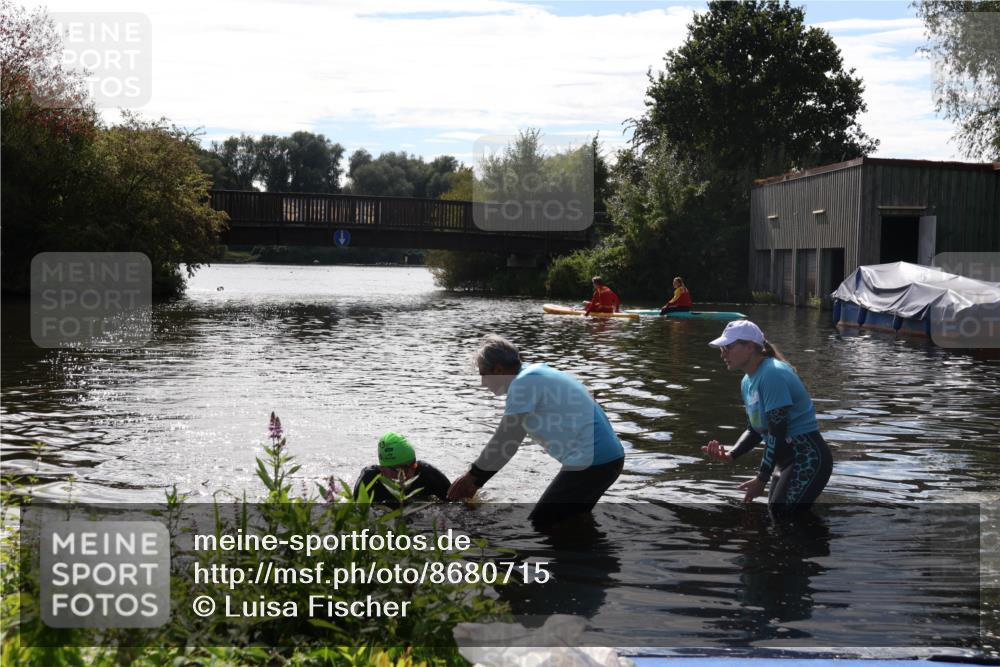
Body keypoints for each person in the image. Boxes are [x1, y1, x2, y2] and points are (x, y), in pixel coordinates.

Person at [447, 335, 625, 528]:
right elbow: (510, 442)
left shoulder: (523, 384)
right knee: (571, 523)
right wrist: (478, 480)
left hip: (592, 464)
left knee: (542, 524)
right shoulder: (535, 373)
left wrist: (472, 477)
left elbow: (507, 440)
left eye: (483, 375)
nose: (483, 383)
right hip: (610, 459)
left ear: (497, 370)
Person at [701, 320, 832, 516]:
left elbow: (777, 431)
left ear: (750, 347)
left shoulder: (772, 374)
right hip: (786, 461)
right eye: (721, 348)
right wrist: (731, 454)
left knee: (783, 518)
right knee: (780, 518)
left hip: (807, 458)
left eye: (728, 347)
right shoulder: (747, 381)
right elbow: (756, 429)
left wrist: (762, 478)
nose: (723, 353)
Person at [353, 432, 451, 506]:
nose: (409, 474)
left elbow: (455, 503)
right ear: (383, 470)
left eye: (413, 465)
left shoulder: (428, 474)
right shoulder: (369, 480)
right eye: (401, 470)